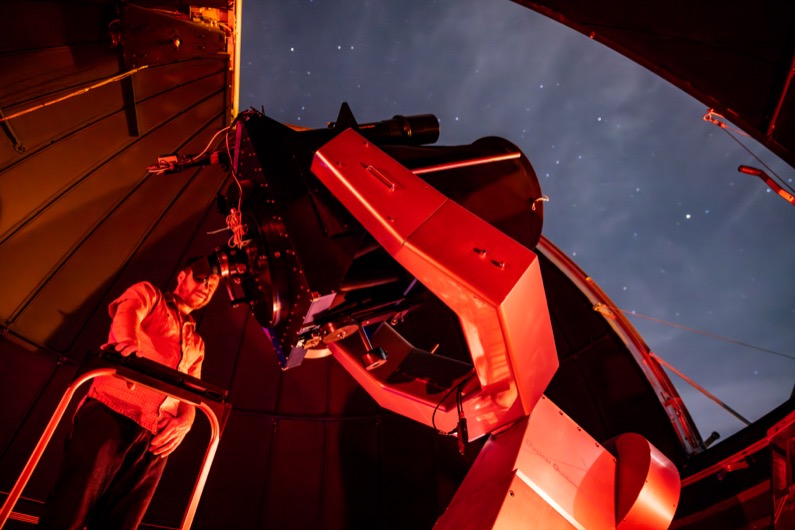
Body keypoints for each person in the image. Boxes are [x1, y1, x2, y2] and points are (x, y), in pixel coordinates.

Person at [37, 258, 221, 530]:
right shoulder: (150, 295)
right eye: (202, 278)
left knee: (123, 523)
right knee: (71, 508)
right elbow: (129, 311)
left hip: (155, 443)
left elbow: (193, 394)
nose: (206, 287)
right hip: (111, 412)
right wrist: (126, 343)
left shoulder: (197, 343)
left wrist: (186, 422)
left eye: (213, 286)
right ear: (182, 276)